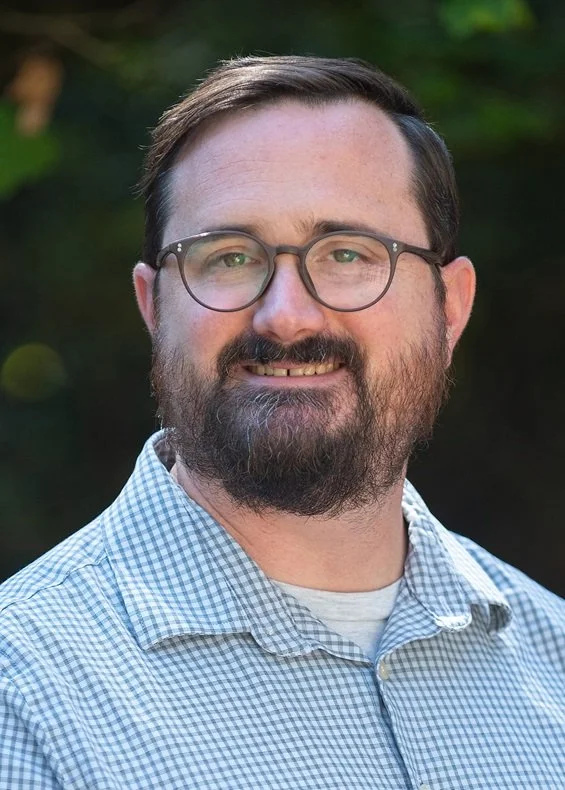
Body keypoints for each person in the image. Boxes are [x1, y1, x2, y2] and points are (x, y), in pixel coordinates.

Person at [0, 55, 563, 790]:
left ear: (448, 308)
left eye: (350, 254)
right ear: (153, 308)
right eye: (229, 256)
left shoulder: (551, 659)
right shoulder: (23, 695)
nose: (287, 316)